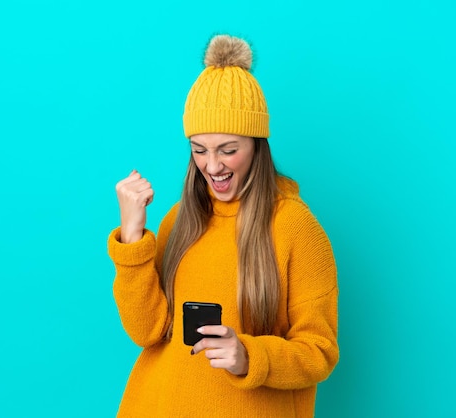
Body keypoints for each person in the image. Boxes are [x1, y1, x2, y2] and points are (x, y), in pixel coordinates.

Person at [107, 34, 339, 417]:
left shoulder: (295, 228)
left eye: (228, 150)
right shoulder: (180, 219)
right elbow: (146, 332)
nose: (212, 166)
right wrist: (132, 236)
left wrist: (248, 355)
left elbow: (320, 351)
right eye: (199, 149)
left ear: (257, 144)